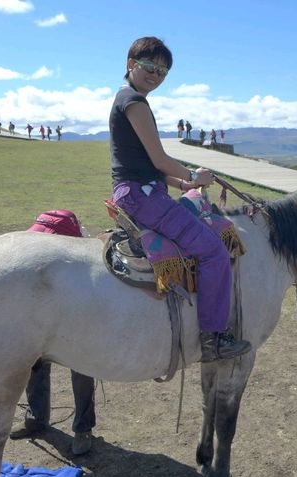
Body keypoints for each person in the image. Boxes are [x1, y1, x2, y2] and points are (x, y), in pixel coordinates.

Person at [109, 36, 251, 362]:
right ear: (131, 64)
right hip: (142, 197)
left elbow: (148, 168)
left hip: (139, 191)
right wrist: (193, 177)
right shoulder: (135, 102)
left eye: (162, 71)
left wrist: (184, 185)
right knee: (214, 251)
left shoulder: (126, 99)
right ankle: (213, 339)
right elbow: (159, 159)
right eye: (150, 66)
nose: (156, 75)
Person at [10, 210, 96, 455]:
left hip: (74, 326)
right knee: (34, 365)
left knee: (82, 370)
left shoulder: (81, 268)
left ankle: (83, 428)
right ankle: (36, 418)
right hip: (42, 323)